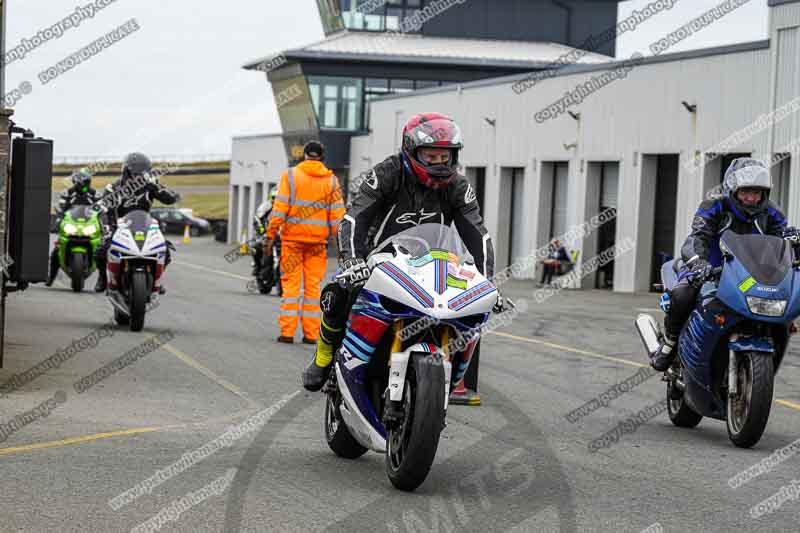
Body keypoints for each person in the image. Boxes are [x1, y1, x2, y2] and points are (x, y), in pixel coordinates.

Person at [302, 112, 496, 392]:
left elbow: (478, 233)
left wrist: (487, 279)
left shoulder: (458, 186)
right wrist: (353, 259)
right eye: (431, 156)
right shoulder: (386, 173)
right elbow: (354, 218)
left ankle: (454, 379)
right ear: (411, 150)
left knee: (472, 308)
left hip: (433, 264)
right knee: (335, 294)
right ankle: (322, 357)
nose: (439, 163)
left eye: (446, 156)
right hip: (377, 259)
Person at [650, 158, 796, 371]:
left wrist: (792, 240)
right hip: (710, 270)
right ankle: (669, 343)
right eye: (746, 192)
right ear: (733, 190)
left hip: (748, 276)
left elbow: (780, 244)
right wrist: (697, 262)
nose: (751, 198)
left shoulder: (772, 213)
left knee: (782, 310)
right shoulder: (714, 205)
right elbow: (697, 237)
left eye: (757, 193)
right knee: (683, 294)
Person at [264, 141, 345, 344]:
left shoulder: (290, 176)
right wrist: (343, 245)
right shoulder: (332, 181)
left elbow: (279, 209)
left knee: (291, 286)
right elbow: (338, 218)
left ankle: (287, 333)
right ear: (322, 156)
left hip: (292, 241)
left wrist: (270, 235)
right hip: (317, 244)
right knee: (313, 288)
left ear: (304, 155)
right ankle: (310, 334)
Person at [94, 153, 180, 293]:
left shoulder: (150, 186)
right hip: (120, 226)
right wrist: (108, 231)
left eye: (143, 174)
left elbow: (170, 200)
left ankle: (156, 280)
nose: (139, 177)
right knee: (101, 251)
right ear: (126, 171)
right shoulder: (113, 187)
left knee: (166, 251)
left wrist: (160, 188)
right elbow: (104, 211)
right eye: (135, 174)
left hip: (144, 226)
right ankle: (102, 278)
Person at [46, 168, 99, 286]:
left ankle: (103, 280)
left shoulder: (95, 194)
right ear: (75, 182)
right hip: (72, 224)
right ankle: (51, 277)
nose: (83, 186)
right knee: (56, 251)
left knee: (102, 252)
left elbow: (101, 210)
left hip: (88, 225)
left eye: (85, 183)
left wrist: (103, 223)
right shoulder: (67, 193)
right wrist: (58, 221)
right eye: (80, 183)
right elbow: (61, 209)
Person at [252, 190, 282, 295]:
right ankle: (257, 267)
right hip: (266, 235)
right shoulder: (265, 207)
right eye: (275, 198)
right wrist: (262, 231)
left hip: (280, 236)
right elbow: (257, 219)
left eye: (279, 198)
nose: (276, 201)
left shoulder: (286, 208)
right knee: (256, 247)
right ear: (271, 198)